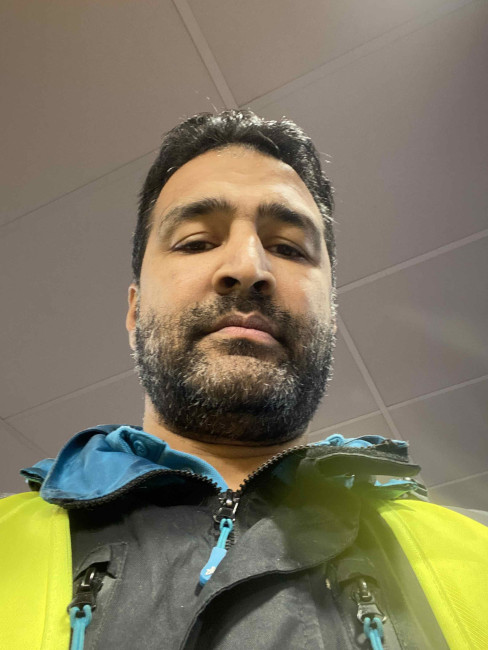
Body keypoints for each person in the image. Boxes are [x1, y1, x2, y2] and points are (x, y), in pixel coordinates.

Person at [1, 110, 486, 650]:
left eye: (288, 248)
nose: (249, 266)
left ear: (330, 316)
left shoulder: (477, 559)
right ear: (135, 311)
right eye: (195, 242)